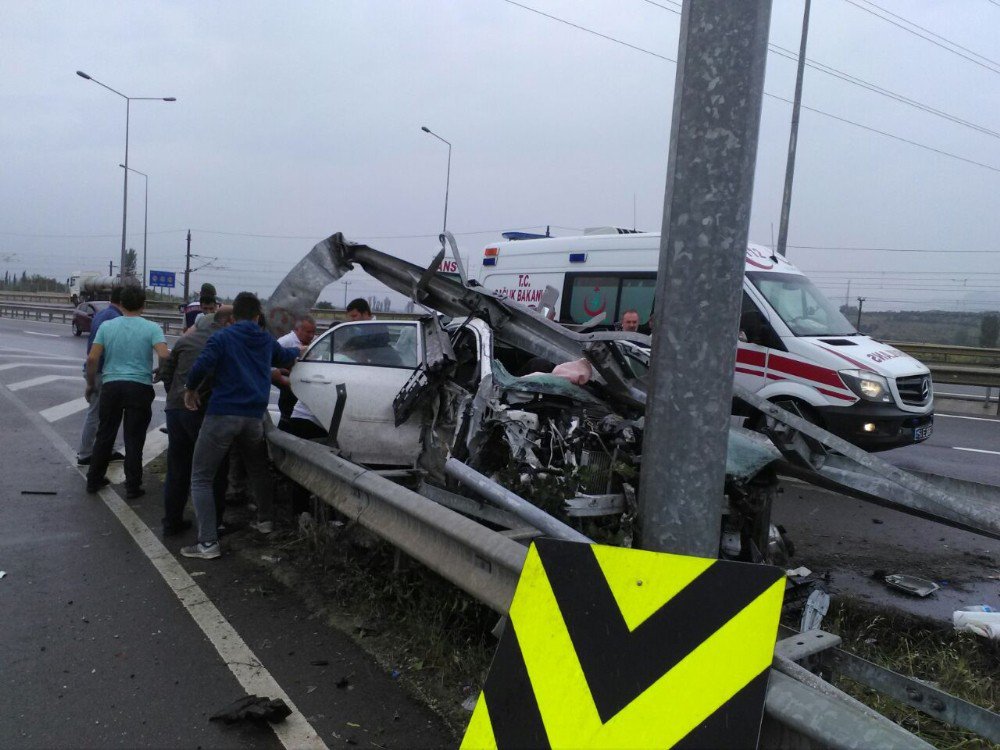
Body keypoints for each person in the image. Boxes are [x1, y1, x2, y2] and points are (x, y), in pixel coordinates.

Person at [180, 292, 302, 560]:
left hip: (223, 415)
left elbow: (202, 365)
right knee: (258, 469)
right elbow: (286, 356)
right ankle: (265, 521)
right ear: (258, 316)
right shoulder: (265, 340)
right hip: (254, 418)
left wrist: (190, 389)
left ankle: (208, 543)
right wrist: (302, 350)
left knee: (200, 476)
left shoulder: (223, 337)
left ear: (233, 317)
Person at [85, 285, 169, 497]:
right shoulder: (152, 328)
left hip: (111, 386)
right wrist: (161, 372)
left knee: (105, 434)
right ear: (144, 304)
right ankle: (132, 486)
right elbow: (164, 354)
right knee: (134, 438)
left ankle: (94, 480)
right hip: (139, 387)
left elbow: (92, 358)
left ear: (120, 304)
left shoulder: (107, 326)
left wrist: (90, 384)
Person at [159, 307, 234, 536]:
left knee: (177, 467)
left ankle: (172, 521)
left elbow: (167, 372)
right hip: (202, 410)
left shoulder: (185, 340)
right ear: (228, 322)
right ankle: (215, 524)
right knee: (215, 469)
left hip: (175, 409)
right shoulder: (224, 343)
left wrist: (176, 396)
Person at [77, 286, 126, 466]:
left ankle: (107, 449)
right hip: (101, 371)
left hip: (97, 370)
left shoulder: (102, 314)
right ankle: (85, 454)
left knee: (107, 415)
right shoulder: (116, 318)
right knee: (97, 414)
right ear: (124, 301)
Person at [274, 315, 317, 421]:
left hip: (306, 388)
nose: (311, 335)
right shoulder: (284, 342)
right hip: (289, 388)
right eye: (308, 332)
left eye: (313, 332)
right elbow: (272, 363)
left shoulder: (315, 342)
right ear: (297, 329)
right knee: (287, 417)